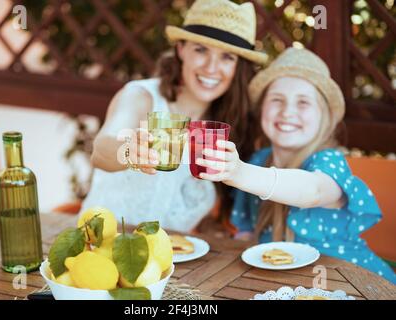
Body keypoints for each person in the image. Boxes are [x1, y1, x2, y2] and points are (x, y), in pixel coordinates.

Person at [196, 47, 396, 283]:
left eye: (303, 103)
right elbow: (246, 235)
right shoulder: (259, 160)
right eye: (277, 100)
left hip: (353, 282)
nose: (287, 112)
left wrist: (239, 173)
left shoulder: (328, 160)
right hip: (284, 284)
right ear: (261, 110)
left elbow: (313, 191)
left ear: (326, 116)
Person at [81, 0, 268, 232]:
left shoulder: (232, 126)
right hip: (101, 247)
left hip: (173, 262)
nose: (211, 67)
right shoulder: (142, 97)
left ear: (238, 66)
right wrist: (129, 151)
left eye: (227, 57)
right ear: (181, 50)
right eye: (201, 50)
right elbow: (101, 150)